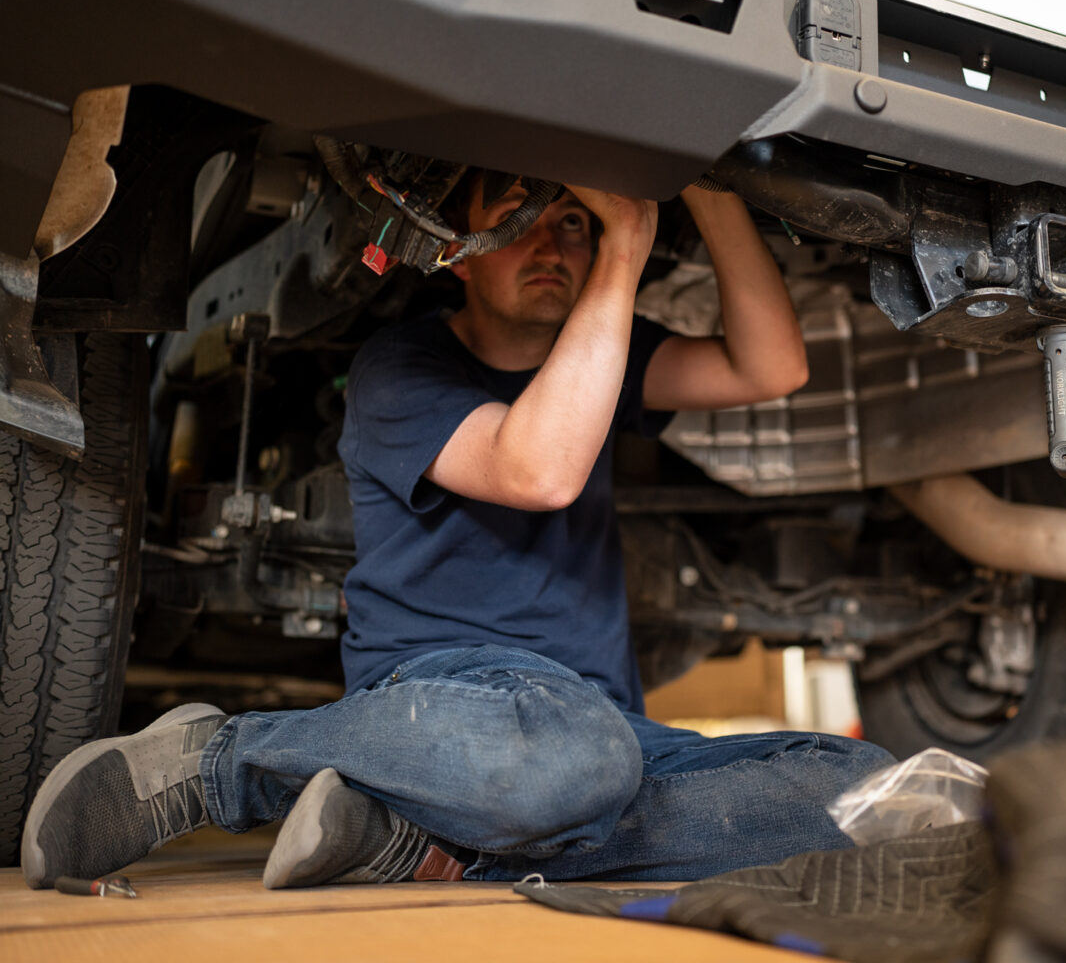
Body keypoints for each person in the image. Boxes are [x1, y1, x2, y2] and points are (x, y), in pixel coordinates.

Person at [22, 177, 894, 891]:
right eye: (520, 217)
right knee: (574, 767)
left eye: (576, 223)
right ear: (458, 253)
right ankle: (221, 759)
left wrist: (702, 181)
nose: (554, 246)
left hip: (606, 731)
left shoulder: (600, 364)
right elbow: (538, 470)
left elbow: (771, 365)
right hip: (450, 695)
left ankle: (421, 842)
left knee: (865, 794)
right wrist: (626, 244)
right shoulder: (401, 368)